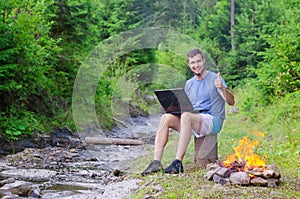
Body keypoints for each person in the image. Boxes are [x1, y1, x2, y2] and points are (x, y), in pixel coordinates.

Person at [141, 48, 235, 176]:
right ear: (189, 65)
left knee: (186, 116)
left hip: (213, 121)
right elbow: (187, 107)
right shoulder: (189, 84)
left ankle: (177, 162)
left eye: (198, 61)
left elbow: (231, 102)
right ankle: (156, 162)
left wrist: (222, 88)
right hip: (194, 120)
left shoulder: (215, 78)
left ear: (204, 61)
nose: (196, 65)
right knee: (166, 118)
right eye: (192, 63)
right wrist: (173, 108)